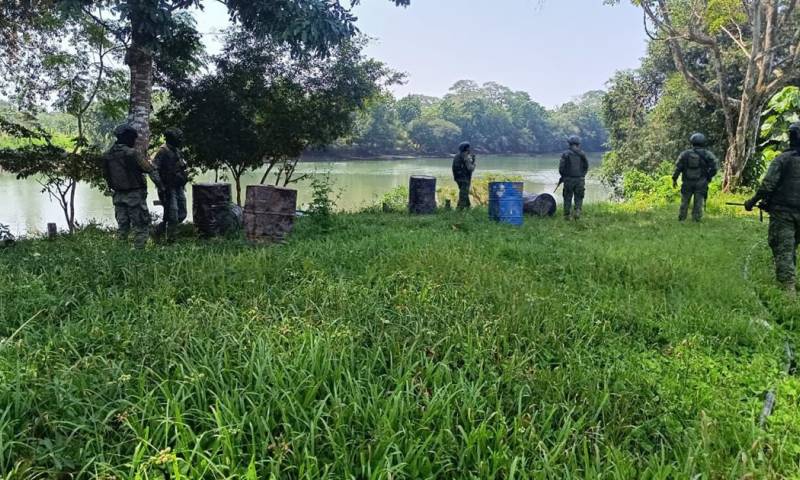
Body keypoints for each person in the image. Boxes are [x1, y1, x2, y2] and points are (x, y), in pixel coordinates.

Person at [745, 123, 800, 298]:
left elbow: (767, 186)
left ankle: (788, 293)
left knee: (784, 249)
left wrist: (752, 201)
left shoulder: (783, 159)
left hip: (783, 213)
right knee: (792, 247)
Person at [102, 124, 162, 249]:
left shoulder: (107, 155)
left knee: (122, 227)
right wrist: (161, 186)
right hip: (134, 195)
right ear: (127, 138)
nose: (134, 141)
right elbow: (149, 169)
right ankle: (139, 253)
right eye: (133, 138)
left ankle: (120, 252)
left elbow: (106, 175)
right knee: (141, 226)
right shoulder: (132, 154)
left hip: (118, 196)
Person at [153, 128, 189, 242]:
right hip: (167, 188)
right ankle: (170, 240)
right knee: (172, 215)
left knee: (182, 213)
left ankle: (161, 228)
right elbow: (154, 170)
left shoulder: (177, 151)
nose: (180, 140)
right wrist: (161, 186)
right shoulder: (162, 151)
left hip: (178, 186)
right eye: (178, 138)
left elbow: (181, 166)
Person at [672, 133, 718, 222]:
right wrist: (708, 177)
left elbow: (678, 168)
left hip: (687, 182)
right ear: (703, 142)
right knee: (698, 202)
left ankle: (682, 219)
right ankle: (696, 220)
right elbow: (714, 168)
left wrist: (674, 179)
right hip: (701, 182)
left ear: (692, 142)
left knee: (684, 201)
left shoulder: (684, 154)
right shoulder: (707, 154)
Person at [559, 135, 589, 219]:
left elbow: (561, 168)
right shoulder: (582, 154)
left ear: (569, 144)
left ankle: (567, 215)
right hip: (580, 179)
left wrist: (563, 176)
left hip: (568, 180)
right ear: (578, 144)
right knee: (579, 196)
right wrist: (582, 176)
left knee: (567, 197)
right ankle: (577, 211)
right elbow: (586, 166)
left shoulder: (565, 154)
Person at [452, 141, 476, 210]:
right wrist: (474, 163)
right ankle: (459, 209)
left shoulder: (457, 155)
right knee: (463, 194)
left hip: (457, 178)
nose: (470, 149)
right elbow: (470, 168)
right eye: (469, 148)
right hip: (464, 178)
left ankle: (468, 207)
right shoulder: (465, 156)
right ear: (467, 149)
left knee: (464, 192)